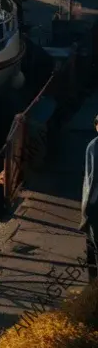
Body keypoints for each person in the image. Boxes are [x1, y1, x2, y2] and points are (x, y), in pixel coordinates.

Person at [81, 114, 98, 280]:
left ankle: (94, 282)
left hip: (94, 202)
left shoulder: (93, 147)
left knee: (93, 241)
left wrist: (85, 209)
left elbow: (91, 178)